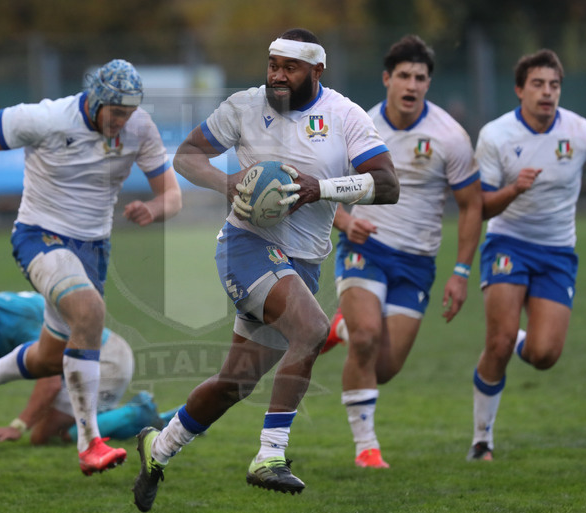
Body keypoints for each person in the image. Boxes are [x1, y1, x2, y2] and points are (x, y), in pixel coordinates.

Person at [131, 28, 399, 511]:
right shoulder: (244, 106)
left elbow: (387, 183)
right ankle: (270, 455)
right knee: (313, 329)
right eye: (273, 64)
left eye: (289, 68)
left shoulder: (345, 116)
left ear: (316, 71)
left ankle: (159, 447)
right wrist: (227, 181)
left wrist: (322, 189)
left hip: (303, 263)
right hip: (247, 246)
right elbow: (188, 156)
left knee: (235, 382)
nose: (277, 75)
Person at [0, 58, 182, 475]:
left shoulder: (140, 128)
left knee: (49, 358)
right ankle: (90, 443)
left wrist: (154, 208)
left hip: (93, 250)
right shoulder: (48, 118)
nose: (122, 122)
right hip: (39, 237)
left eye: (129, 112)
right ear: (95, 100)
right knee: (89, 311)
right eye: (116, 112)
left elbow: (172, 196)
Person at [317, 35, 482, 469]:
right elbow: (321, 190)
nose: (412, 85)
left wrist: (461, 272)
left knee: (384, 366)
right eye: (404, 76)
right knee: (367, 338)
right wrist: (346, 222)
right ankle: (366, 448)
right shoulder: (359, 127)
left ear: (428, 83)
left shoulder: (450, 136)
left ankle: (340, 328)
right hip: (365, 248)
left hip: (417, 263)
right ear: (386, 78)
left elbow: (471, 206)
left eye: (420, 78)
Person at [466, 49, 586, 461]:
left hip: (558, 251)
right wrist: (514, 189)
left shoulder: (581, 133)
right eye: (538, 84)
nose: (547, 92)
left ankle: (518, 338)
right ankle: (482, 440)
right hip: (508, 243)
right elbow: (482, 207)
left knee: (544, 355)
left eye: (554, 85)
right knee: (499, 343)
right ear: (519, 90)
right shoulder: (497, 135)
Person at [0, 270, 175, 449]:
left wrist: (18, 426)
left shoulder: (14, 317)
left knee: (49, 435)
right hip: (79, 363)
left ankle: (138, 411)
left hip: (104, 357)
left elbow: (49, 378)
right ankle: (173, 421)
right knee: (68, 429)